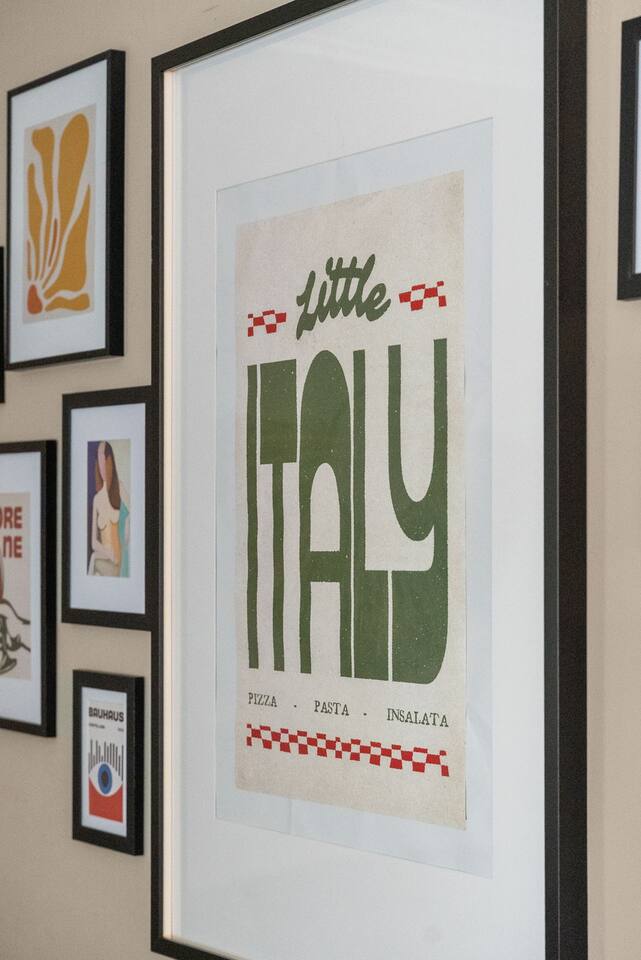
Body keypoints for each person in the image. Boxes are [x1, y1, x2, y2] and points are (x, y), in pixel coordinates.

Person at [88, 441, 130, 577]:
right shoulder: (97, 499)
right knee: (94, 558)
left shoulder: (120, 489)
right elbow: (94, 543)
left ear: (109, 460)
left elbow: (136, 514)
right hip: (106, 557)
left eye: (104, 459)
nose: (102, 466)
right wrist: (108, 553)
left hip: (119, 561)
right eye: (99, 459)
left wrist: (127, 525)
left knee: (94, 560)